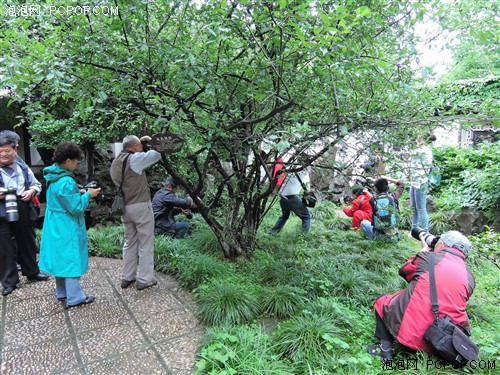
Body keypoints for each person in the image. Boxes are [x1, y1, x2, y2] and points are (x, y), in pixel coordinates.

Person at [366, 230, 475, 360]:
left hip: (413, 333)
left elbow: (405, 272)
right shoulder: (470, 276)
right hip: (446, 340)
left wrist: (424, 250)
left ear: (440, 245)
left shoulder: (428, 258)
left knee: (382, 301)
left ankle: (385, 349)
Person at [39, 142, 101, 308]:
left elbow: (62, 197)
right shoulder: (66, 181)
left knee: (61, 259)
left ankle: (62, 292)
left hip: (55, 224)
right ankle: (75, 297)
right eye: (75, 161)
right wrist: (89, 194)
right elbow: (76, 207)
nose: (76, 164)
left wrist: (78, 192)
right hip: (67, 225)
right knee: (71, 259)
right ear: (67, 161)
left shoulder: (53, 175)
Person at [110, 135, 161, 290]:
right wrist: (151, 142)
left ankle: (127, 277)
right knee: (146, 243)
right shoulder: (134, 159)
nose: (141, 148)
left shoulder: (116, 161)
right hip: (140, 205)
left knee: (129, 242)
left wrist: (142, 142)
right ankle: (145, 280)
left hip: (125, 207)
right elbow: (156, 154)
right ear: (133, 147)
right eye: (139, 145)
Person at [0, 137, 49, 296]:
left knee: (27, 239)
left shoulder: (22, 166)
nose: (4, 154)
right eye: (0, 151)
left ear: (15, 151)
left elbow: (36, 184)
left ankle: (32, 271)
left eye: (7, 151)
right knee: (4, 245)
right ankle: (9, 281)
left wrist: (32, 191)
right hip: (1, 208)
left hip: (21, 204)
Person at [408, 132, 436, 232]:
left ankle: (425, 231)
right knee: (414, 208)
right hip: (414, 181)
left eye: (418, 138)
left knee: (421, 208)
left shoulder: (424, 150)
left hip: (421, 182)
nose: (416, 140)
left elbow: (410, 153)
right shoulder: (422, 149)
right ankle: (414, 229)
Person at [269, 168, 311, 234]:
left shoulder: (292, 168)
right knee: (306, 217)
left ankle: (272, 233)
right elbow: (307, 188)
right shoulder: (305, 170)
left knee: (284, 216)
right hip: (292, 196)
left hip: (282, 195)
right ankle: (303, 237)